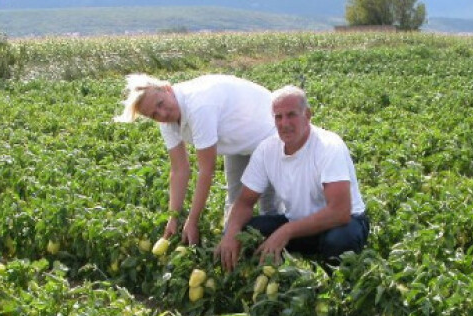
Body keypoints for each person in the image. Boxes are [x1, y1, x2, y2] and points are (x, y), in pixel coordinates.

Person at [215, 85, 369, 271]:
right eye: (278, 117)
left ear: (307, 115)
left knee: (338, 243)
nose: (284, 123)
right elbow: (245, 202)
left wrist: (285, 231)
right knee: (246, 231)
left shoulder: (329, 147)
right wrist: (231, 234)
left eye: (291, 115)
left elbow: (339, 212)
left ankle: (330, 275)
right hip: (298, 223)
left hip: (342, 222)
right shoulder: (267, 150)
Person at [115, 74, 279, 246]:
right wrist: (173, 217)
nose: (162, 114)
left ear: (167, 89)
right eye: (154, 115)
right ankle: (238, 249)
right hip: (239, 138)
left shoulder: (198, 106)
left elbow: (206, 170)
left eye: (160, 104)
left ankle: (277, 252)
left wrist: (192, 220)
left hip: (267, 131)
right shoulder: (167, 123)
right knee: (235, 201)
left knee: (268, 204)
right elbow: (179, 170)